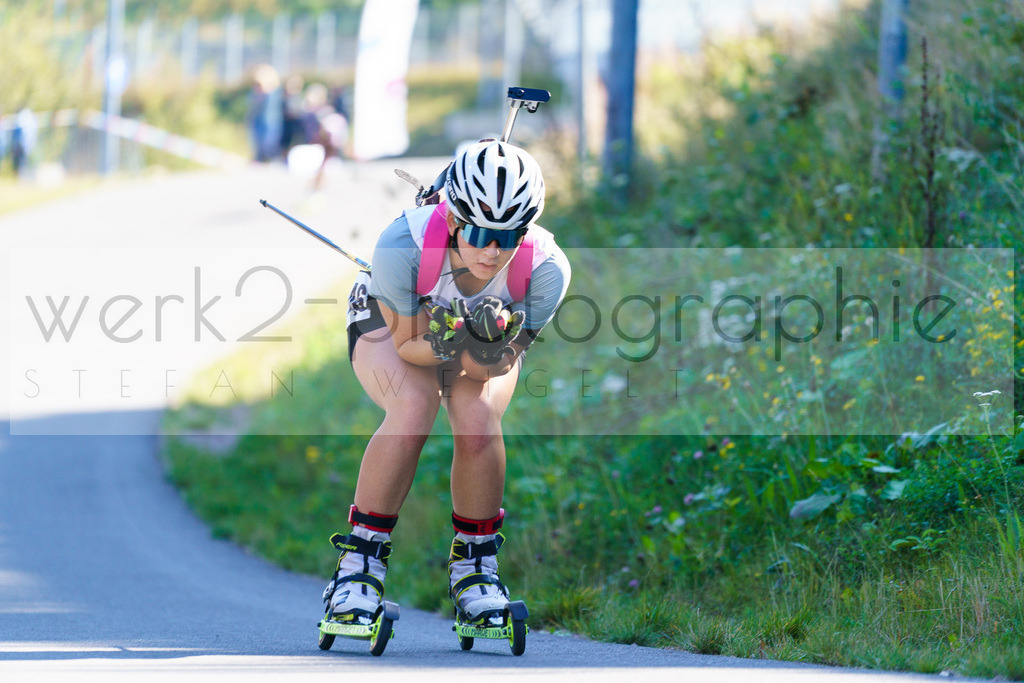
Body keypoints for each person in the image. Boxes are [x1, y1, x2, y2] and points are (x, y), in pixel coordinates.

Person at [322, 140, 571, 631]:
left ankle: (476, 569)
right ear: (455, 219)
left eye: (510, 234)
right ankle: (358, 568)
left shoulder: (546, 271)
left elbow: (484, 374)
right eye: (479, 232)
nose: (492, 250)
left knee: (478, 420)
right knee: (413, 409)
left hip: (468, 338)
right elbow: (411, 348)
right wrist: (453, 332)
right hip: (395, 323)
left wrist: (484, 344)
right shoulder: (402, 246)